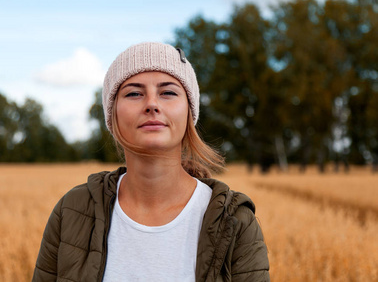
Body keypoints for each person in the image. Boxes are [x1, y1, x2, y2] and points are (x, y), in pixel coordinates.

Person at [32, 42, 269, 282]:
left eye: (168, 92)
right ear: (112, 114)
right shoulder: (72, 210)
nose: (152, 105)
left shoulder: (235, 221)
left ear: (189, 111)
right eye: (134, 93)